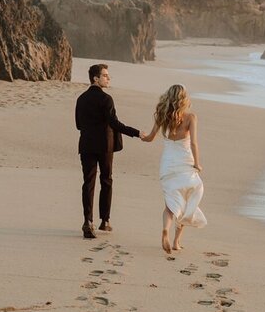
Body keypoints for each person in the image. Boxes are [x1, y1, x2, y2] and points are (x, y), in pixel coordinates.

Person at [75, 63, 141, 239]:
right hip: (105, 146)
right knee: (106, 180)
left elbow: (78, 125)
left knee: (88, 183)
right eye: (105, 75)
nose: (108, 78)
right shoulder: (106, 99)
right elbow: (114, 124)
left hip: (86, 145)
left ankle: (88, 221)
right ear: (95, 78)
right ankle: (105, 221)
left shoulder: (81, 99)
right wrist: (137, 133)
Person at [141, 84, 206, 254]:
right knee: (187, 200)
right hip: (185, 162)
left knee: (171, 203)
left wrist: (142, 136)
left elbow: (150, 138)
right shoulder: (191, 117)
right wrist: (198, 163)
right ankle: (176, 241)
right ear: (184, 99)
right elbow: (193, 143)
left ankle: (165, 231)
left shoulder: (162, 116)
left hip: (168, 164)